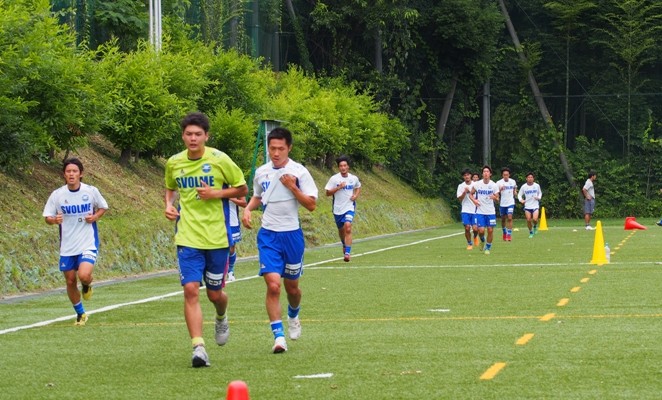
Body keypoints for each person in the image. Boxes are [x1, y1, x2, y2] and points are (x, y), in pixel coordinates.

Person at [164, 112, 248, 368]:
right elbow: (170, 187)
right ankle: (198, 347)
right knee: (190, 289)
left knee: (214, 294)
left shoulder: (220, 159)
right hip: (187, 237)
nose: (193, 138)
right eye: (189, 134)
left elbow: (242, 188)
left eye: (198, 134)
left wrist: (216, 194)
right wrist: (168, 205)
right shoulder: (174, 162)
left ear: (206, 136)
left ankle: (221, 316)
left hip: (217, 238)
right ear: (182, 136)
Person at [242, 127, 318, 354]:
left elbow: (311, 205)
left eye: (280, 149)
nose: (275, 153)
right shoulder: (261, 172)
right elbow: (258, 196)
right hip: (268, 235)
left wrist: (292, 186)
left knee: (292, 288)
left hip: (292, 235)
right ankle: (279, 337)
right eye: (272, 148)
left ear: (289, 148)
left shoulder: (299, 172)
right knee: (273, 285)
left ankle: (293, 315)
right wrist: (247, 209)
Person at [43, 158, 109, 326]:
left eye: (74, 171)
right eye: (68, 171)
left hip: (87, 242)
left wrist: (95, 216)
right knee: (71, 281)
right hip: (67, 245)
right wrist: (54, 220)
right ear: (64, 174)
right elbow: (47, 217)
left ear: (81, 174)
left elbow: (103, 207)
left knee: (84, 275)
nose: (71, 174)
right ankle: (81, 313)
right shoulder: (57, 195)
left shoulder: (91, 191)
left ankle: (87, 284)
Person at [325, 155, 362, 262]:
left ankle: (347, 253)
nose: (343, 168)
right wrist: (338, 187)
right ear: (338, 167)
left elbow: (358, 187)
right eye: (341, 166)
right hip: (337, 209)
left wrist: (355, 195)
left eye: (345, 165)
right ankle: (344, 244)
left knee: (348, 227)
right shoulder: (334, 179)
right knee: (341, 230)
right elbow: (327, 193)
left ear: (348, 166)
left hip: (349, 207)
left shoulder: (353, 178)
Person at [470, 165, 499, 255]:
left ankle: (488, 247)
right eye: (484, 171)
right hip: (480, 211)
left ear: (490, 174)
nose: (486, 173)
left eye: (487, 171)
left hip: (490, 212)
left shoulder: (494, 185)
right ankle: (482, 240)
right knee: (481, 231)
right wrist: (474, 200)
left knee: (490, 230)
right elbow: (471, 194)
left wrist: (494, 197)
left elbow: (497, 199)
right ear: (482, 174)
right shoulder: (477, 184)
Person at [226, 197, 248, 282]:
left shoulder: (235, 189)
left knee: (231, 249)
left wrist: (230, 198)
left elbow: (244, 203)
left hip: (232, 221)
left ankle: (230, 271)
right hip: (217, 221)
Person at [518, 172, 543, 238]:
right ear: (526, 178)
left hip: (535, 205)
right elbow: (519, 195)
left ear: (533, 178)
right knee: (528, 220)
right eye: (528, 177)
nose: (530, 178)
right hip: (527, 206)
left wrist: (538, 197)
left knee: (535, 219)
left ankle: (535, 226)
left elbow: (540, 193)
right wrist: (521, 200)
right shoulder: (524, 186)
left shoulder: (537, 185)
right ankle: (531, 232)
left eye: (531, 177)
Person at [457, 168, 477, 250]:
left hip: (475, 210)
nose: (466, 176)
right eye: (465, 175)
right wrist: (464, 192)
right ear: (463, 177)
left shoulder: (475, 185)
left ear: (470, 175)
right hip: (465, 210)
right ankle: (469, 243)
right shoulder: (461, 186)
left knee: (475, 229)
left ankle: (475, 237)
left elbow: (479, 197)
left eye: (468, 175)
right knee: (467, 228)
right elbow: (460, 199)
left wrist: (471, 192)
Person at [496, 167, 517, 242]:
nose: (506, 176)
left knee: (510, 217)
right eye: (504, 175)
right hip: (503, 203)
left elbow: (514, 188)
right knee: (503, 219)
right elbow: (495, 192)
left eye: (507, 175)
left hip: (510, 202)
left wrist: (515, 192)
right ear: (502, 175)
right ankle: (504, 232)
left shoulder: (513, 181)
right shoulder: (499, 183)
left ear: (509, 175)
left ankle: (509, 234)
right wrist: (500, 189)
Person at [470, 172, 481, 245]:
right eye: (474, 177)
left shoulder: (480, 185)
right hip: (471, 208)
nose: (475, 178)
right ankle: (475, 237)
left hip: (478, 208)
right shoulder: (470, 186)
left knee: (477, 228)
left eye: (477, 177)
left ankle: (476, 237)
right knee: (473, 228)